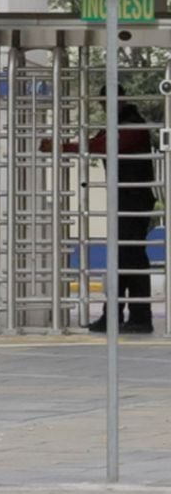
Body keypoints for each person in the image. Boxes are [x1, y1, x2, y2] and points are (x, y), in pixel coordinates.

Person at [41, 86, 155, 334]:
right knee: (125, 258)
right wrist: (64, 146)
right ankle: (119, 316)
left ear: (119, 101)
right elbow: (97, 143)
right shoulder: (119, 123)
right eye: (103, 104)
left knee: (130, 258)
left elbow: (104, 146)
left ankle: (137, 317)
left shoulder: (133, 126)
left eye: (106, 103)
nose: (104, 108)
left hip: (134, 200)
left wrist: (61, 148)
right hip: (125, 199)